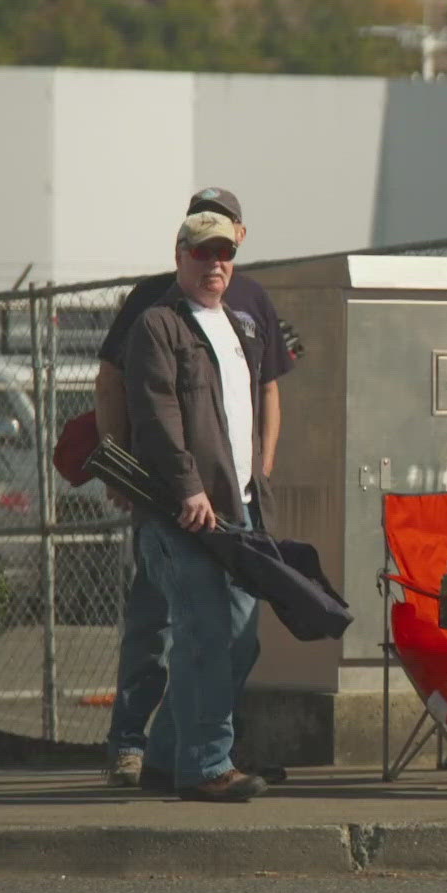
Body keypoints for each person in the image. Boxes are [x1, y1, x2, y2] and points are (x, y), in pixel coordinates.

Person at [99, 187, 295, 790]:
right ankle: (206, 766)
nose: (214, 264)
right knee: (197, 635)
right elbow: (155, 411)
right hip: (181, 513)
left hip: (237, 510)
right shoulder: (158, 319)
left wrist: (258, 475)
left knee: (238, 642)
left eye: (223, 253)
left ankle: (166, 756)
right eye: (201, 253)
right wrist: (177, 486)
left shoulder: (239, 317)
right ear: (179, 253)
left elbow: (260, 395)